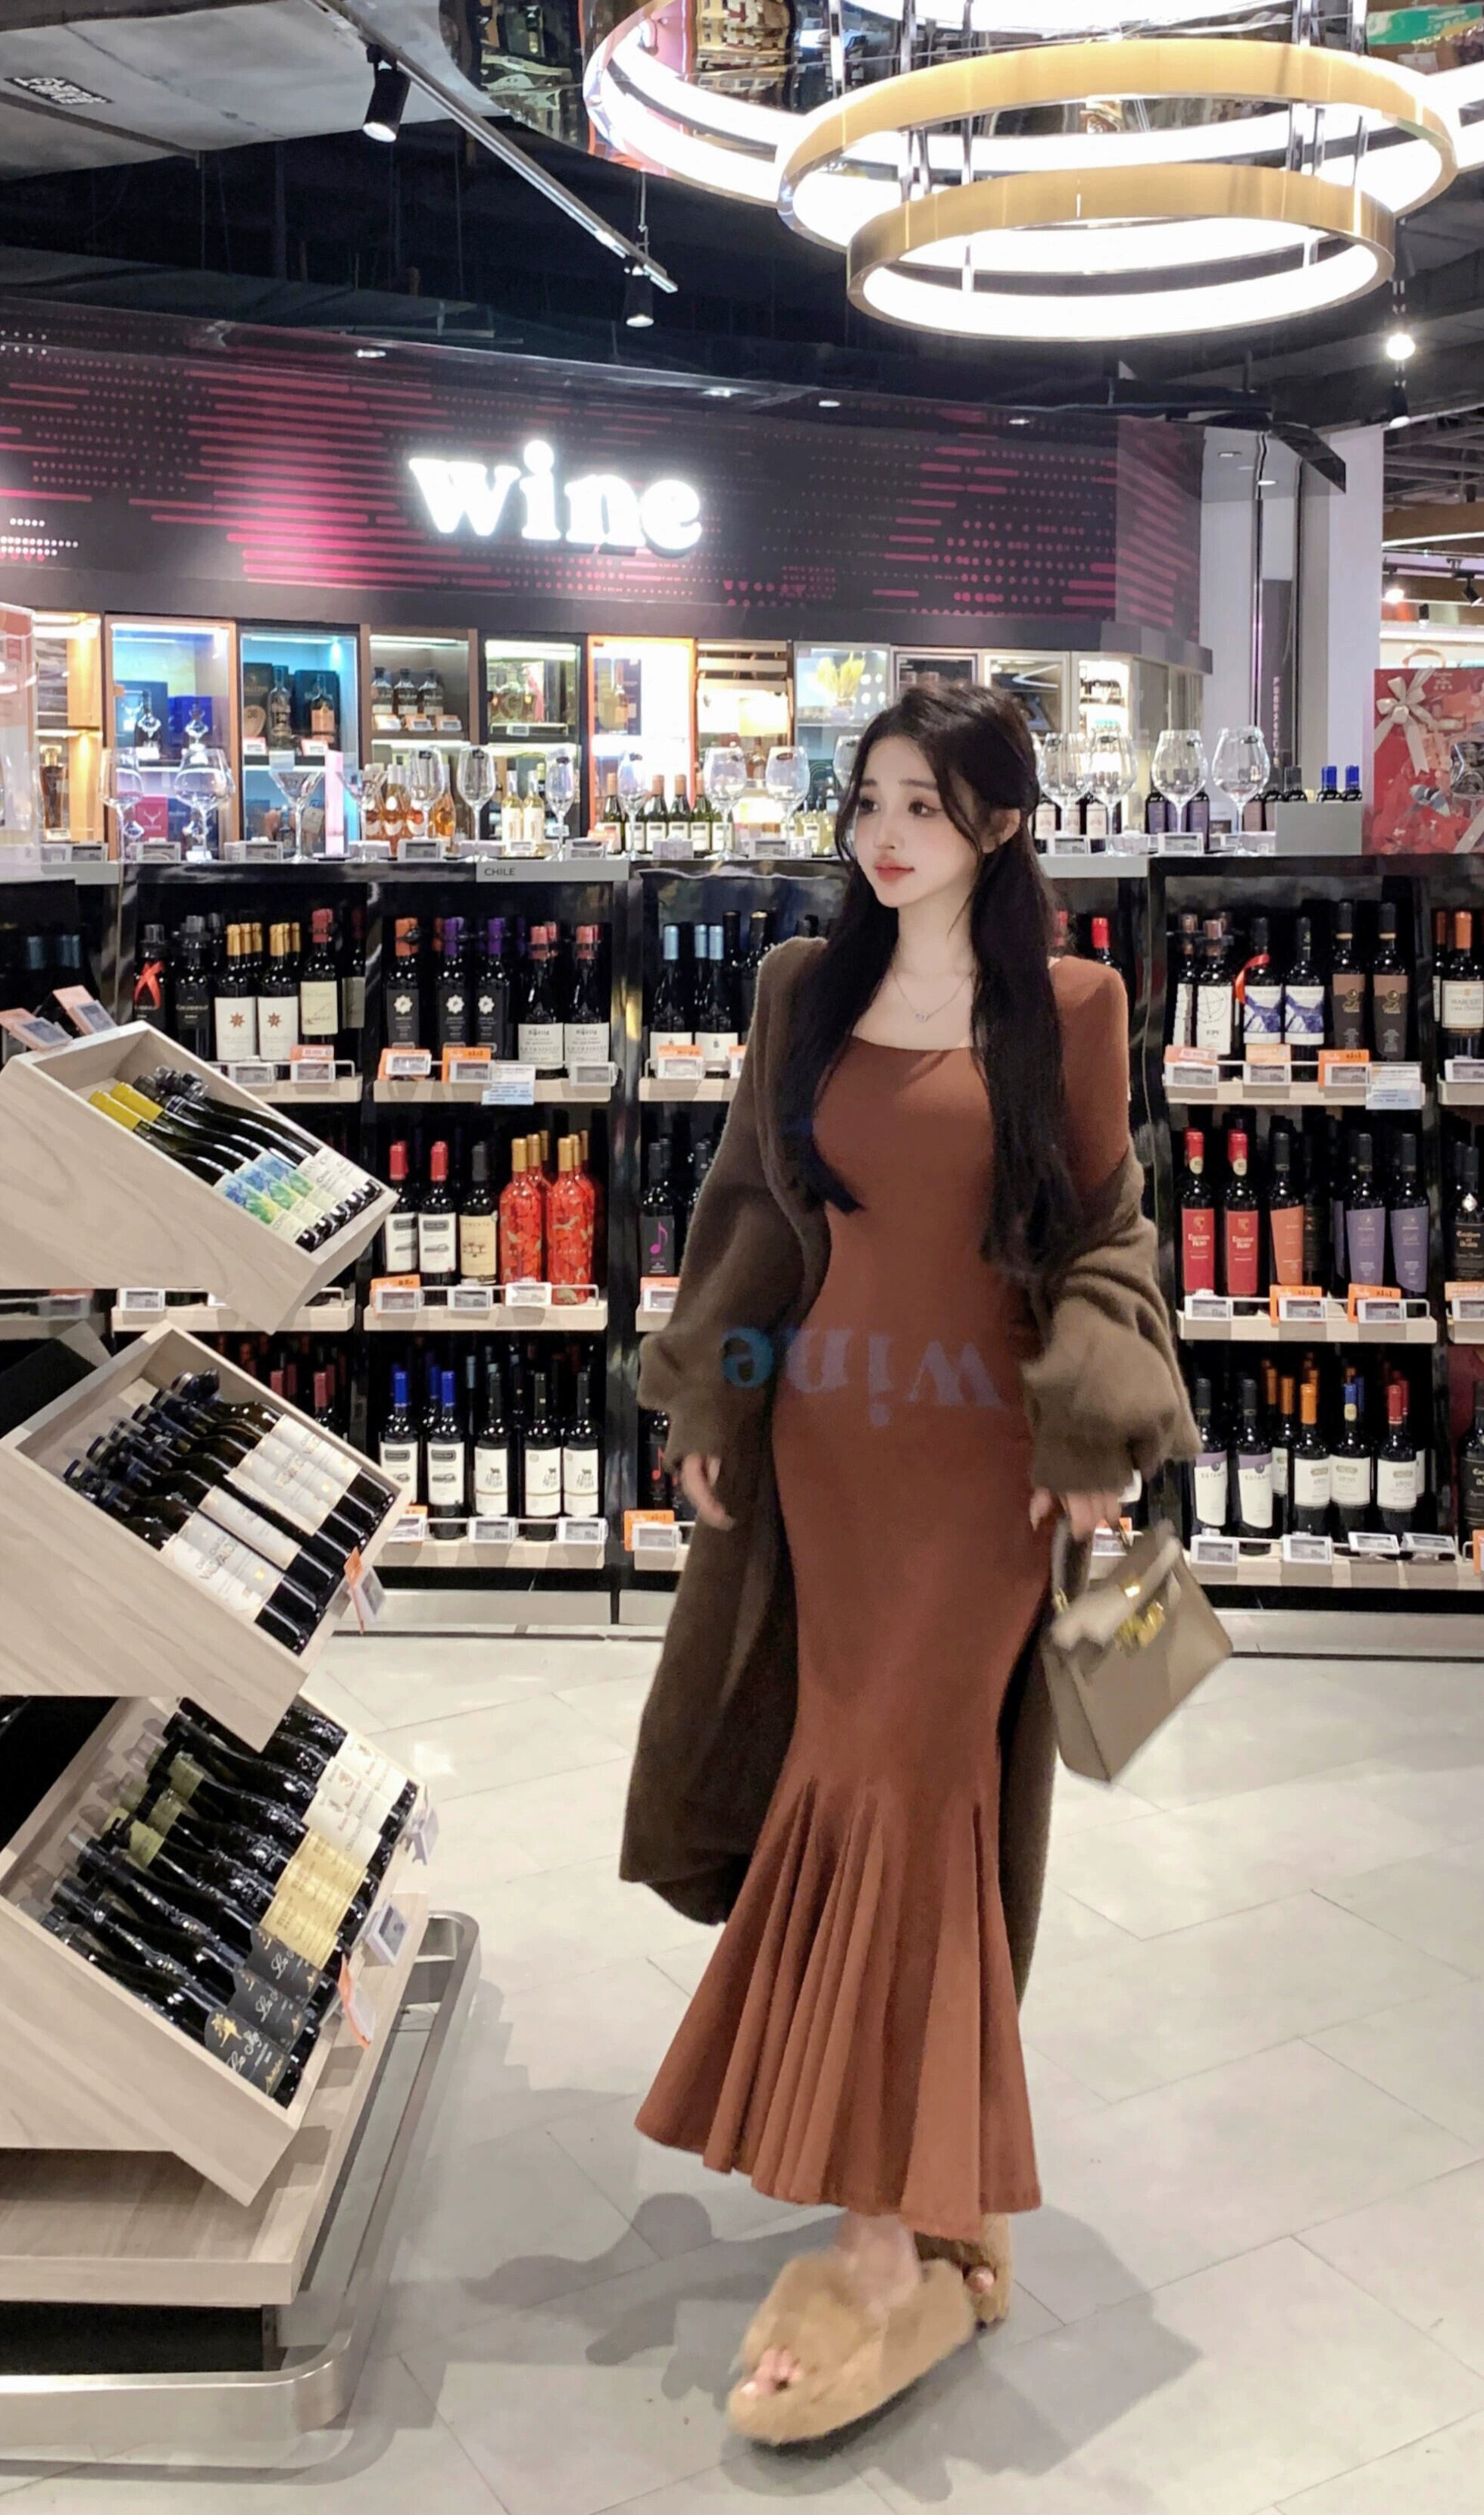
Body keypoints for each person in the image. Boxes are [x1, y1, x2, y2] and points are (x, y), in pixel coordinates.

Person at [623, 686, 1194, 2445]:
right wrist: (714, 1397)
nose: (886, 833)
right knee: (842, 1777)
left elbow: (1102, 1235)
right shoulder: (804, 989)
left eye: (925, 806)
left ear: (999, 825)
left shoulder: (1068, 1009)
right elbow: (749, 1214)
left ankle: (883, 2234)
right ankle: (913, 2194)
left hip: (978, 1468)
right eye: (869, 798)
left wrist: (1088, 1435)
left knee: (915, 1792)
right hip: (829, 1448)